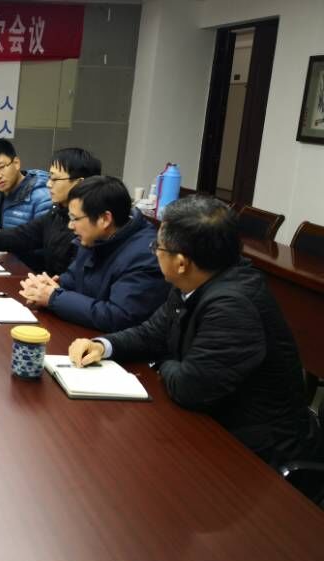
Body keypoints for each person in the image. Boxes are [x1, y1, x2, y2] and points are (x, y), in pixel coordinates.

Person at [69, 196, 323, 469]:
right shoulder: (196, 279)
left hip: (261, 454)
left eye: (158, 247)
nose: (154, 252)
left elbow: (190, 388)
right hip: (217, 424)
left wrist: (162, 363)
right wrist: (104, 345)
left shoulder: (232, 307)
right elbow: (152, 333)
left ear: (181, 263)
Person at [19, 176, 168, 331]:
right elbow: (73, 277)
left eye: (75, 218)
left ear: (105, 219)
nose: (70, 226)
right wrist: (47, 288)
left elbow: (119, 317)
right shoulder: (94, 238)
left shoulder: (145, 255)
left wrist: (54, 298)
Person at [0, 147, 101, 275]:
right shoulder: (58, 213)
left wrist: (54, 291)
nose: (49, 184)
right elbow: (22, 234)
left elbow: (77, 278)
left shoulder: (93, 224)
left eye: (55, 179)